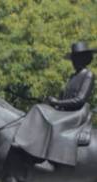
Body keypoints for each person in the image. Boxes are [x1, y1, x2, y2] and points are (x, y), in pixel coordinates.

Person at [15, 41, 94, 173]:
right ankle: (25, 144)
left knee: (55, 124)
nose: (74, 61)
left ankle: (50, 161)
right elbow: (65, 96)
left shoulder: (88, 75)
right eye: (73, 59)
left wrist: (57, 103)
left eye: (77, 58)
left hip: (78, 111)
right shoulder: (73, 76)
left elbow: (80, 100)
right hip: (66, 109)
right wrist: (53, 103)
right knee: (39, 109)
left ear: (85, 59)